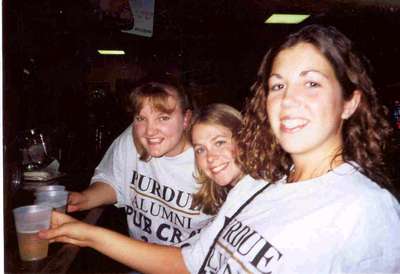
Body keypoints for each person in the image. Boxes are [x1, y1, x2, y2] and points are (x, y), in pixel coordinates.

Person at [40, 24, 400, 273]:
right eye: (277, 86)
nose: (289, 100)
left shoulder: (367, 207)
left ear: (350, 102)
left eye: (311, 83)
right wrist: (84, 232)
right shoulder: (258, 184)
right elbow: (189, 264)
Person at [67, 75, 213, 247]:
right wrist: (84, 198)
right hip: (140, 260)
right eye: (141, 118)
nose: (150, 131)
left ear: (186, 119)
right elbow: (113, 181)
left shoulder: (209, 157)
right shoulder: (131, 139)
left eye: (163, 118)